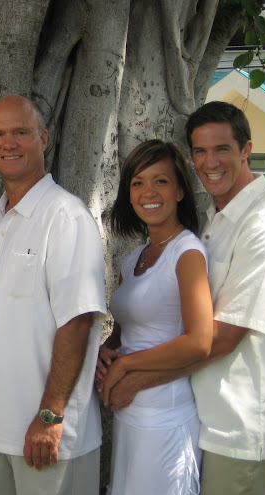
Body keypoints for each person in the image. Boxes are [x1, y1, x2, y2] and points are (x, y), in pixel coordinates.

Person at [101, 101, 265, 495]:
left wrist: (135, 374)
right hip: (197, 413)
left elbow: (220, 337)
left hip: (238, 426)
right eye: (200, 151)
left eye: (222, 149)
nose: (210, 161)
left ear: (246, 149)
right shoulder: (214, 220)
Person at [0, 94, 107, 494]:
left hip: (50, 435)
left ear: (44, 138)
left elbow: (78, 320)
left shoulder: (66, 218)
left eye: (21, 132)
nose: (9, 143)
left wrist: (50, 416)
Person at [96, 140, 213, 494]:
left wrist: (127, 367)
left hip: (166, 417)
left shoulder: (187, 252)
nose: (149, 191)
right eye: (137, 182)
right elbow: (125, 332)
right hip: (128, 411)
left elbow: (199, 342)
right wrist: (105, 353)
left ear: (179, 190)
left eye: (160, 181)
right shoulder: (134, 259)